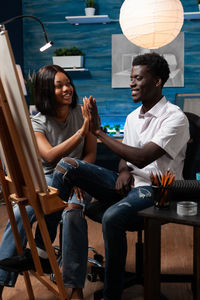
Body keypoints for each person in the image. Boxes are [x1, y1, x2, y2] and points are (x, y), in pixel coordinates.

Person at [46, 52, 189, 300]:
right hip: (129, 183)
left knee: (111, 216)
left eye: (138, 78)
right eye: (131, 77)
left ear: (157, 81)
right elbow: (128, 157)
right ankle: (43, 246)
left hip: (157, 190)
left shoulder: (175, 117)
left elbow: (143, 157)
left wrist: (99, 132)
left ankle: (112, 294)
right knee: (68, 165)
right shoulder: (133, 118)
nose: (131, 83)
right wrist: (123, 169)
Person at [0, 65, 97, 300]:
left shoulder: (82, 113)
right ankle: (2, 278)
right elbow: (50, 156)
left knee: (73, 214)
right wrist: (82, 132)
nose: (67, 89)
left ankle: (75, 288)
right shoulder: (37, 122)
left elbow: (91, 153)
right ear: (45, 90)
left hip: (78, 178)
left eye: (68, 83)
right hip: (48, 177)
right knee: (22, 210)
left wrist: (78, 175)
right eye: (59, 85)